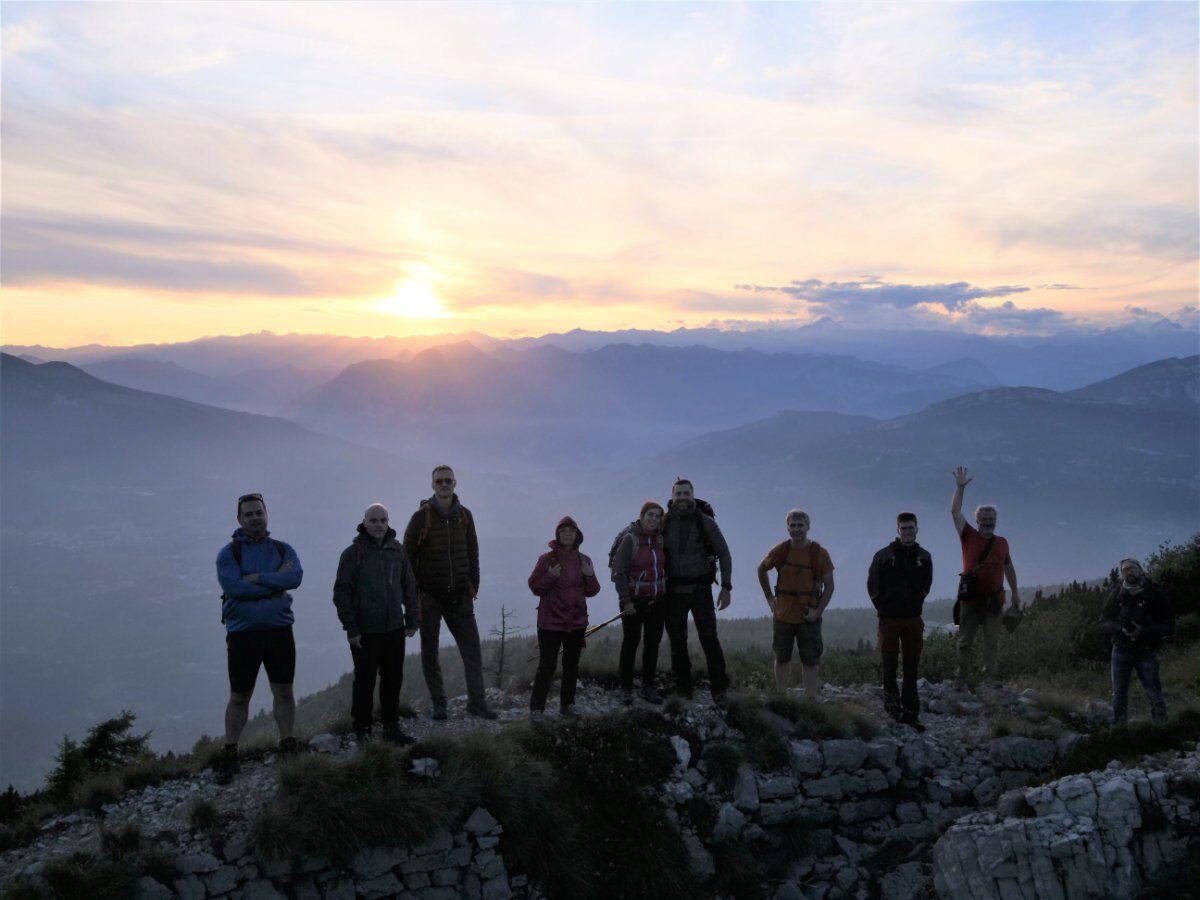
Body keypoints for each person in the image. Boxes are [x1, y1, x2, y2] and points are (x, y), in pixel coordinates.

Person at [214, 492, 304, 784]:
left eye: (258, 513)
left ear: (267, 515)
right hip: (243, 636)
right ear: (239, 519)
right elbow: (235, 588)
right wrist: (273, 581)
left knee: (284, 691)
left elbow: (295, 578)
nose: (255, 518)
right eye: (248, 514)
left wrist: (255, 578)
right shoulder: (229, 554)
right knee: (240, 696)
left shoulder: (282, 548)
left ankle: (287, 743)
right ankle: (230, 750)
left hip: (279, 632)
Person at [403, 465, 496, 720]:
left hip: (459, 596)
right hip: (430, 597)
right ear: (432, 485)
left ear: (455, 484)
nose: (444, 485)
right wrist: (415, 594)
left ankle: (477, 703)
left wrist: (472, 584)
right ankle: (439, 704)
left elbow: (473, 551)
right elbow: (406, 559)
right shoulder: (420, 518)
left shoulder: (465, 516)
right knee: (430, 652)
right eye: (439, 481)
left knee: (472, 652)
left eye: (448, 481)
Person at [333, 503, 420, 743]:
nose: (379, 525)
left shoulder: (397, 550)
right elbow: (342, 593)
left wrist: (412, 619)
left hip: (394, 628)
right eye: (374, 520)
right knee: (365, 681)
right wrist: (351, 627)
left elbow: (409, 586)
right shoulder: (352, 554)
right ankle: (363, 729)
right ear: (365, 523)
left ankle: (391, 727)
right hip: (365, 631)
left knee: (393, 679)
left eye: (383, 520)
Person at [950, 466, 1021, 692]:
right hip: (970, 599)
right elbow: (954, 511)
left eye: (991, 519)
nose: (987, 522)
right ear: (977, 519)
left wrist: (1016, 594)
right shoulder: (967, 535)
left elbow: (1008, 567)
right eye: (984, 518)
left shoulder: (1002, 543)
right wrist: (960, 488)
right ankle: (961, 679)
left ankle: (990, 679)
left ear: (995, 520)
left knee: (992, 642)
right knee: (965, 642)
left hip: (994, 599)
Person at [662, 478, 733, 701]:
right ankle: (683, 690)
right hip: (672, 591)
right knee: (677, 640)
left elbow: (724, 553)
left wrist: (726, 586)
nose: (682, 498)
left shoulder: (705, 522)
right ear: (672, 497)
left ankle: (719, 689)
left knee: (709, 638)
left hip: (701, 589)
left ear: (693, 496)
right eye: (679, 494)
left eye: (686, 494)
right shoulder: (664, 522)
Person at [527, 516, 602, 719]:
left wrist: (590, 575)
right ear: (558, 535)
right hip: (550, 622)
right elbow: (534, 587)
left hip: (576, 622)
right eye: (563, 531)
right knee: (547, 665)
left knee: (571, 665)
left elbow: (593, 591)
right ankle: (536, 709)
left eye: (571, 530)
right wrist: (550, 575)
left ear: (577, 535)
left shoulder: (584, 560)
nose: (567, 533)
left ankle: (567, 706)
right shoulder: (547, 559)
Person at [757, 509, 835, 697]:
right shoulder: (781, 550)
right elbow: (761, 569)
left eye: (800, 525)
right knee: (782, 657)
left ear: (808, 527)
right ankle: (781, 696)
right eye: (793, 525)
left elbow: (830, 586)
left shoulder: (819, 553)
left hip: (808, 615)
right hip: (783, 613)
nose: (797, 529)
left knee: (810, 660)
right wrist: (769, 597)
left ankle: (810, 699)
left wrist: (817, 613)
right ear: (788, 528)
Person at [868, 513, 933, 730]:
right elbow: (872, 585)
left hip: (913, 618)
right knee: (889, 665)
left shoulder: (924, 557)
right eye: (903, 528)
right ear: (897, 530)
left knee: (911, 667)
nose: (907, 532)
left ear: (917, 529)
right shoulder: (883, 555)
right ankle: (892, 711)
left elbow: (927, 585)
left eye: (910, 528)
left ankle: (911, 713)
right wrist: (883, 607)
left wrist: (915, 603)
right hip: (889, 619)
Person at [1099, 558, 1174, 725]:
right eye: (1124, 570)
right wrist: (1121, 630)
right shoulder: (1117, 592)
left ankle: (1162, 729)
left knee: (1154, 692)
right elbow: (1104, 620)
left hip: (1147, 650)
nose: (1128, 572)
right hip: (1121, 649)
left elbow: (1169, 625)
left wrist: (1144, 632)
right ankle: (1119, 731)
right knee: (1119, 693)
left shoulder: (1155, 592)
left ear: (1140, 570)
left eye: (1132, 568)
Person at [613, 502, 669, 705]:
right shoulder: (630, 540)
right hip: (634, 601)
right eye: (650, 515)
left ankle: (648, 687)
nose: (653, 519)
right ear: (642, 516)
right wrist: (625, 601)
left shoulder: (659, 539)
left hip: (657, 600)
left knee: (652, 644)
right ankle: (626, 689)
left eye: (657, 516)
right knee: (631, 643)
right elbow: (619, 573)